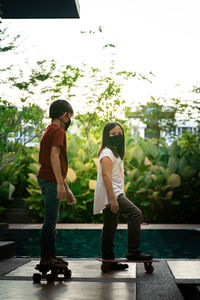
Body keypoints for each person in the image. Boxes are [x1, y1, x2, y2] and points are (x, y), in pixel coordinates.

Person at [93, 121, 152, 270]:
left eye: (119, 133)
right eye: (113, 134)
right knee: (135, 213)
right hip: (112, 192)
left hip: (112, 192)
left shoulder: (114, 152)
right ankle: (133, 251)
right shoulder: (107, 152)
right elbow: (106, 176)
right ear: (107, 136)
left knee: (110, 226)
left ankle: (108, 260)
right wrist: (113, 199)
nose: (117, 136)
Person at [37, 99, 76, 268]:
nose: (70, 119)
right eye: (70, 115)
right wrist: (60, 185)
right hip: (50, 178)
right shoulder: (59, 131)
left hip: (46, 177)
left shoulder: (49, 130)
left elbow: (56, 161)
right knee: (51, 220)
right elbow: (54, 158)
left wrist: (66, 189)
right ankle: (46, 259)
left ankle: (50, 256)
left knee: (51, 220)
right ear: (63, 115)